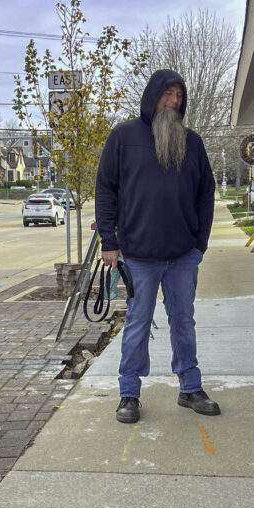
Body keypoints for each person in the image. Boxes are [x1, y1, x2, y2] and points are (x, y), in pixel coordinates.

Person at [96, 69, 219, 424]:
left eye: (179, 95)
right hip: (138, 255)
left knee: (184, 321)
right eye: (168, 94)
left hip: (183, 255)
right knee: (137, 323)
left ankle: (190, 387)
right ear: (153, 96)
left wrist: (200, 244)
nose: (174, 101)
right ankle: (129, 394)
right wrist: (109, 240)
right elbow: (105, 189)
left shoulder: (192, 142)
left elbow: (205, 193)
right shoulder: (123, 137)